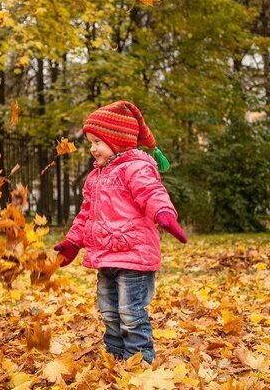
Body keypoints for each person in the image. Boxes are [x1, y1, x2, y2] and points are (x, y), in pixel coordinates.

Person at [54, 101, 187, 364]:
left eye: (97, 142)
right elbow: (86, 213)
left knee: (130, 313)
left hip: (134, 258)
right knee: (109, 312)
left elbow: (152, 194)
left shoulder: (136, 168)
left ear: (117, 140)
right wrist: (73, 241)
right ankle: (114, 358)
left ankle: (139, 362)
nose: (92, 149)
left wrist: (164, 215)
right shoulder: (96, 177)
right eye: (90, 142)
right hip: (106, 257)